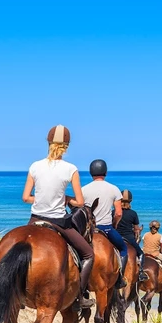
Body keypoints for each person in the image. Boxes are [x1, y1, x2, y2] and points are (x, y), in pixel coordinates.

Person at [22, 124, 94, 308]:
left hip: (34, 218)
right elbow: (79, 202)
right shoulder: (70, 169)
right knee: (88, 254)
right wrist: (65, 199)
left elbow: (25, 198)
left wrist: (43, 198)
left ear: (48, 143)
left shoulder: (35, 166)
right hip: (58, 222)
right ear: (67, 146)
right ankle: (80, 297)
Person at [82, 159, 126, 288]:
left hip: (87, 230)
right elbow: (118, 213)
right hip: (105, 228)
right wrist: (115, 224)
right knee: (123, 249)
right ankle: (120, 279)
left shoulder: (83, 189)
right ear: (105, 172)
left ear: (91, 172)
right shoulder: (113, 189)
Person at [116, 189, 149, 282]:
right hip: (129, 238)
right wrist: (138, 230)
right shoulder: (133, 213)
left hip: (117, 237)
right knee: (141, 253)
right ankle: (141, 273)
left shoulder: (114, 212)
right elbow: (136, 229)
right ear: (130, 201)